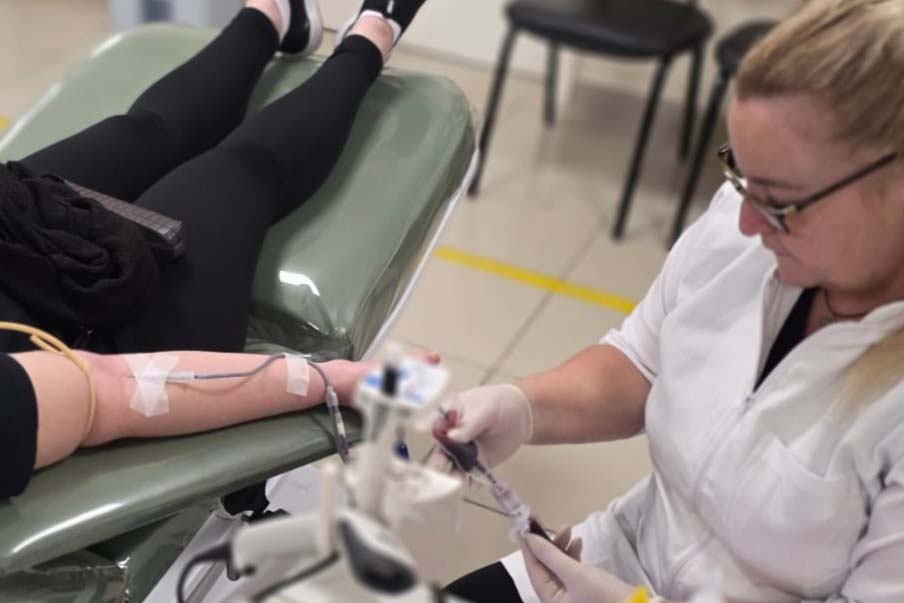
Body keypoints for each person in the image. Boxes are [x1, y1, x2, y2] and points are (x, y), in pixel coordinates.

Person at [439, 1, 904, 602]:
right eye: (742, 177)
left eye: (780, 201)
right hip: (611, 560)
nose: (744, 221)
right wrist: (520, 407)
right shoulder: (751, 236)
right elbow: (642, 362)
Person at [1, 0, 433, 500]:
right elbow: (112, 389)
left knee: (143, 131)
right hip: (109, 334)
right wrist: (328, 380)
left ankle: (271, 15)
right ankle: (369, 39)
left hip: (15, 236)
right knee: (236, 169)